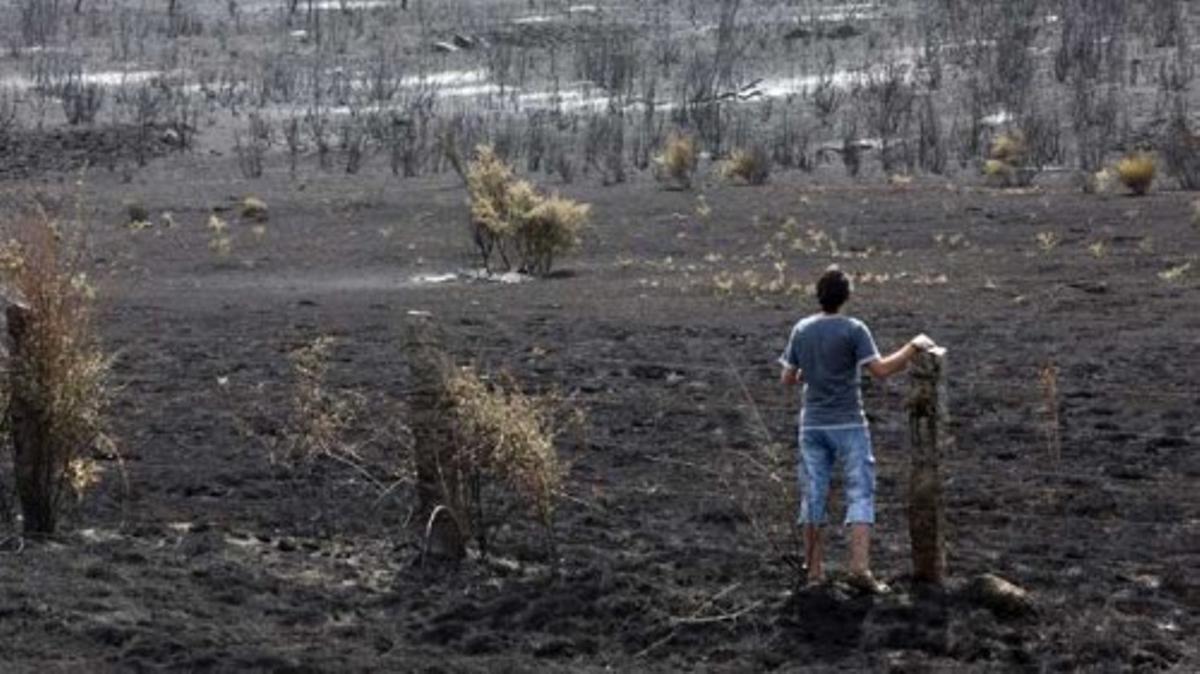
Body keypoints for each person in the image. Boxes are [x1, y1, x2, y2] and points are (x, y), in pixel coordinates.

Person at [778, 267, 939, 593]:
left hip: (813, 424)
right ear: (846, 296)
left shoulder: (802, 329)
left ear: (818, 295)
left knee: (813, 496)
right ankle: (859, 569)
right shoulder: (854, 329)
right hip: (849, 422)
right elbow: (880, 370)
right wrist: (913, 347)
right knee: (860, 491)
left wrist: (815, 372)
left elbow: (788, 378)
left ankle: (814, 572)